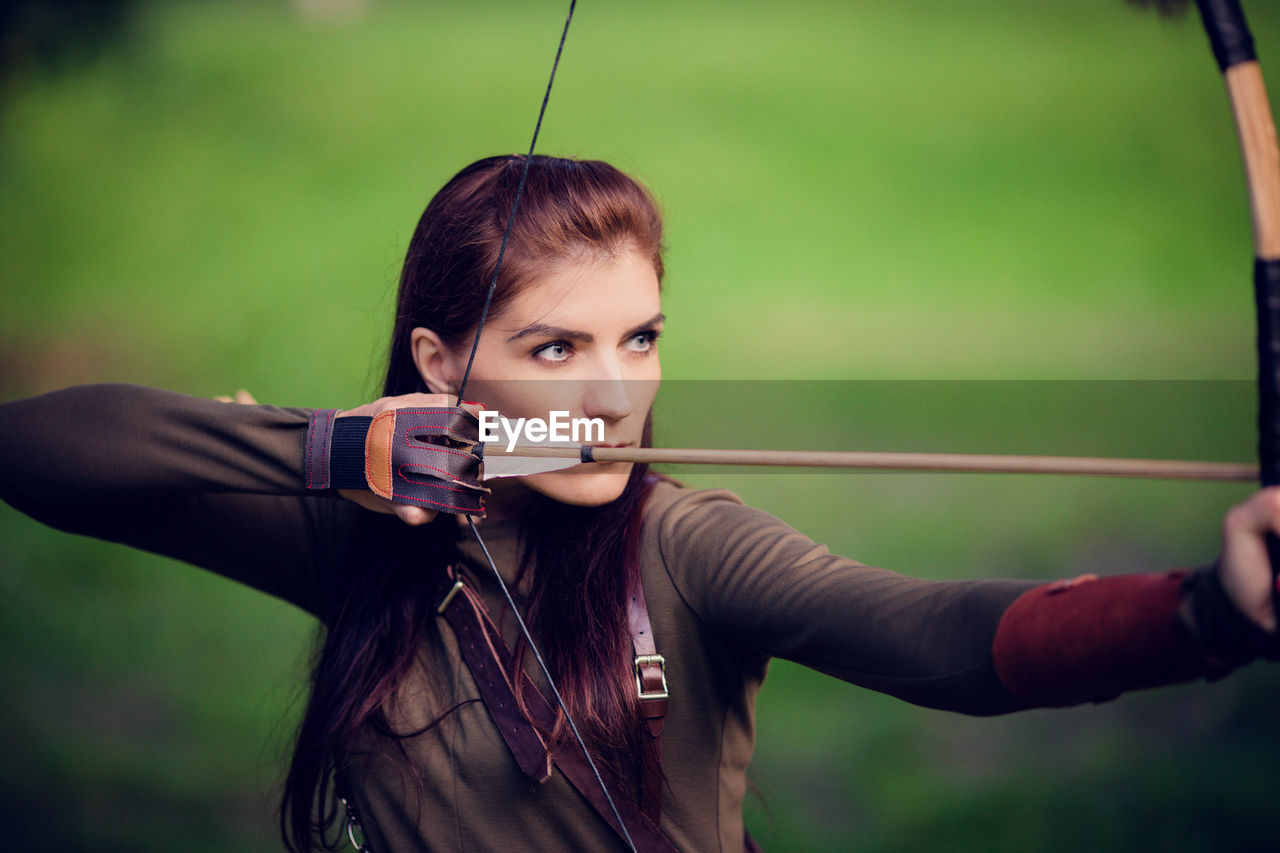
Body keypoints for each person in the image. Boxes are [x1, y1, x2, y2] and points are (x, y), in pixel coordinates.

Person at [0, 154, 1277, 853]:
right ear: (443, 363)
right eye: (557, 348)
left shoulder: (685, 543)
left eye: (642, 337)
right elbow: (43, 454)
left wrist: (1208, 610)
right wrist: (320, 452)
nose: (615, 394)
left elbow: (935, 635)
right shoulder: (363, 528)